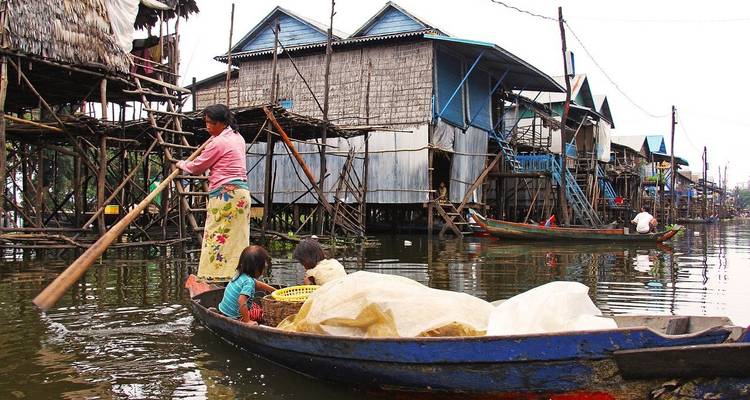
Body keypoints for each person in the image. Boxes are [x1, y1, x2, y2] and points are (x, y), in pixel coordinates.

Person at [177, 104, 251, 281]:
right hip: (241, 194)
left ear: (221, 123)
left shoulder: (218, 142)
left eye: (210, 123)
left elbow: (197, 168)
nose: (207, 126)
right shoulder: (237, 136)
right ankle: (236, 275)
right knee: (238, 238)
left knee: (215, 236)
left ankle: (214, 277)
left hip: (225, 195)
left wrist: (181, 164)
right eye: (206, 122)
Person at [218, 245, 276, 324]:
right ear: (256, 269)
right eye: (263, 268)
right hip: (235, 317)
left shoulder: (240, 274)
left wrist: (273, 290)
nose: (263, 271)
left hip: (223, 310)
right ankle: (246, 319)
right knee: (261, 313)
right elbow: (241, 301)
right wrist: (247, 321)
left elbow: (257, 284)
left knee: (254, 305)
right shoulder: (249, 282)